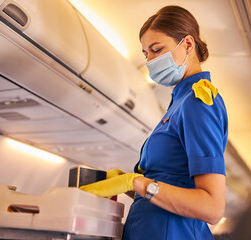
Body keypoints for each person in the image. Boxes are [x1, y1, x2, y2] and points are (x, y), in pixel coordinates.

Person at [80, 5, 228, 240]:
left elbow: (212, 208)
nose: (150, 61)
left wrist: (137, 182)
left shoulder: (198, 102)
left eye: (157, 49)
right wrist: (129, 187)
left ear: (188, 44)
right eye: (146, 54)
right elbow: (169, 188)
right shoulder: (179, 103)